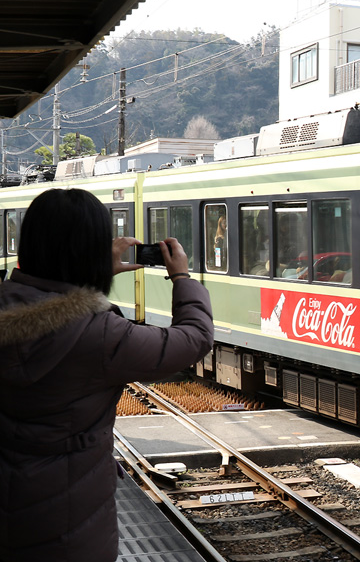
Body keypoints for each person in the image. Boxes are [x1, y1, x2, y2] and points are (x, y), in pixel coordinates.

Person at [0, 189, 214, 562]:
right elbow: (194, 338)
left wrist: (87, 276)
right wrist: (181, 276)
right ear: (94, 251)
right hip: (66, 523)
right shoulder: (100, 335)